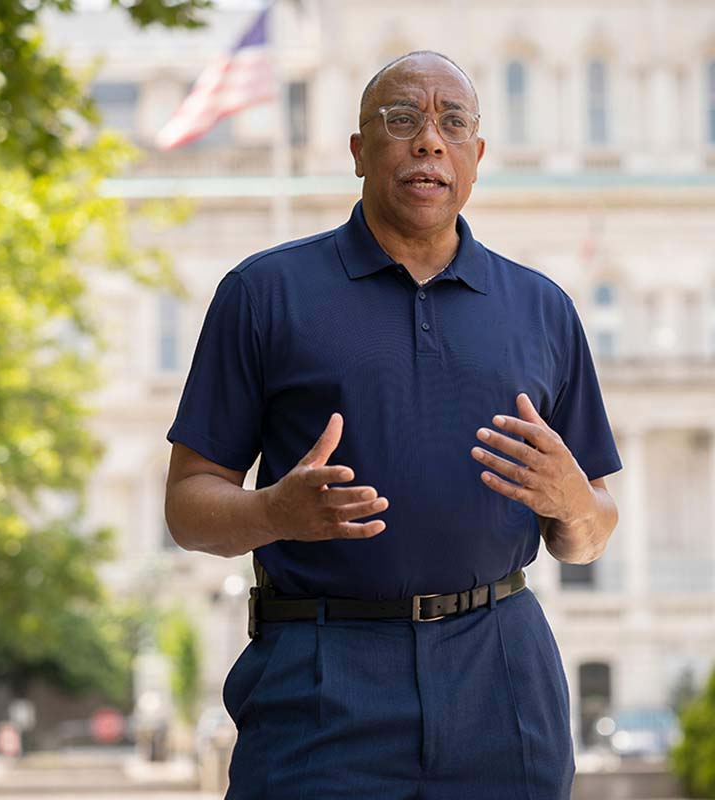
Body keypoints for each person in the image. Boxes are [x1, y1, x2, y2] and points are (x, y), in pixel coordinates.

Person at [164, 50, 621, 800]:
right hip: (320, 672)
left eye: (453, 124)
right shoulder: (263, 293)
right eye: (401, 120)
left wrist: (573, 501)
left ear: (476, 155)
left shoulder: (543, 308)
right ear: (357, 152)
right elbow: (188, 507)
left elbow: (590, 530)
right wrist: (273, 511)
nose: (429, 141)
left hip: (501, 671)